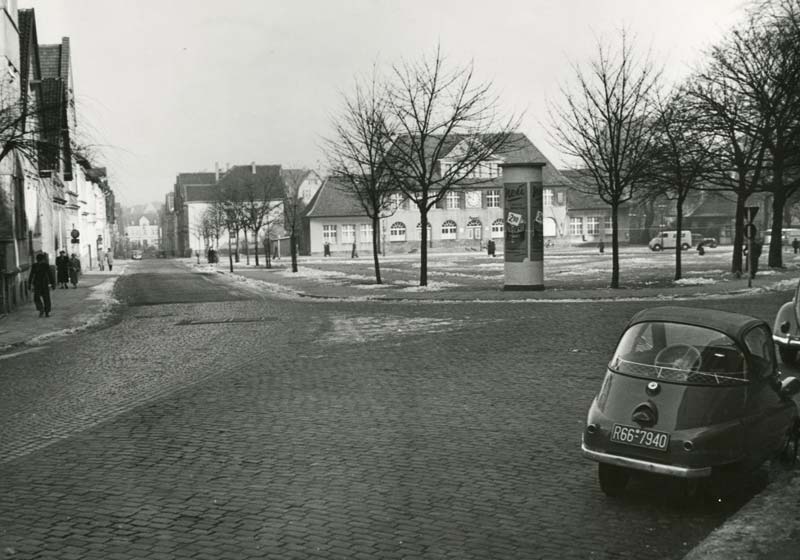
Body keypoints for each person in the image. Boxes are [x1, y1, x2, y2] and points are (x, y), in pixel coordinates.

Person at [28, 253, 56, 317]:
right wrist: (52, 284)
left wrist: (29, 284)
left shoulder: (41, 265)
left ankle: (43, 310)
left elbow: (31, 275)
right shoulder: (39, 265)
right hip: (41, 284)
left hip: (40, 284)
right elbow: (50, 275)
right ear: (42, 259)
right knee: (43, 298)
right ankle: (44, 311)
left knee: (40, 298)